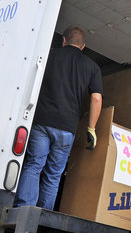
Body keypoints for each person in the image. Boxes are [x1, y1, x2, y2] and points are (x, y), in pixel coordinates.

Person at [14, 26, 103, 210]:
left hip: (42, 123)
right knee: (53, 175)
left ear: (64, 40)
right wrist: (91, 129)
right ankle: (42, 215)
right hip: (67, 128)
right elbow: (96, 98)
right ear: (83, 46)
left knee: (34, 165)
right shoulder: (92, 67)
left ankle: (24, 210)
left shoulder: (49, 55)